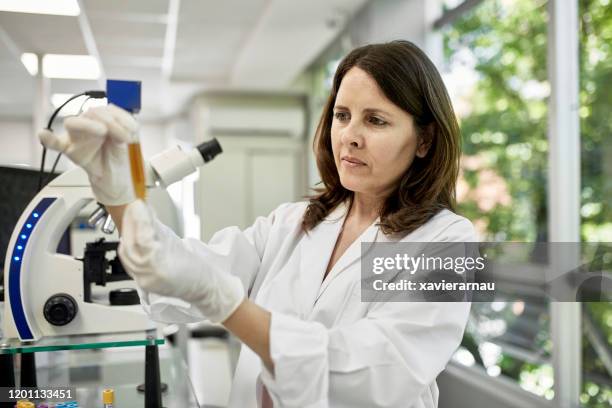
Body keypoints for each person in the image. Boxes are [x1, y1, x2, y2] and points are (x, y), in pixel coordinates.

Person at [40, 40, 477, 408]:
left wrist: (228, 305)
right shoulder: (295, 222)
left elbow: (378, 372)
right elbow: (179, 273)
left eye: (375, 120)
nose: (350, 135)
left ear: (424, 140)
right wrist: (121, 200)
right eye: (342, 115)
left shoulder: (449, 245)